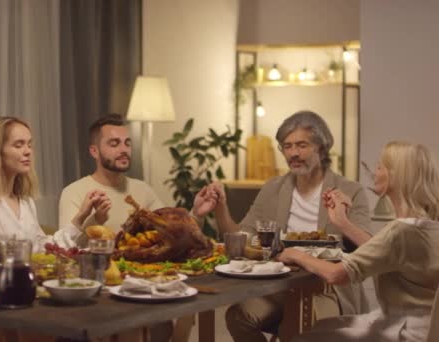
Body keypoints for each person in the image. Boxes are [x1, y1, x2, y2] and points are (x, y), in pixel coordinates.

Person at [193, 110, 372, 342]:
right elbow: (241, 237)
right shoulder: (273, 188)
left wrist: (343, 222)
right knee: (238, 317)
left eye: (302, 145)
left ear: (321, 147)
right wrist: (220, 207)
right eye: (287, 146)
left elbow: (370, 248)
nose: (294, 153)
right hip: (278, 284)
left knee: (299, 328)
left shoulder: (350, 190)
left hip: (327, 287)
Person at [279, 141, 439, 341]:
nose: (375, 172)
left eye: (380, 166)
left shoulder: (402, 231)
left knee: (302, 338)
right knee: (321, 327)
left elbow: (336, 275)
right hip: (422, 329)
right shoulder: (426, 225)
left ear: (396, 175)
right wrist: (342, 222)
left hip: (404, 332)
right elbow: (386, 250)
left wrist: (295, 253)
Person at [0, 116, 81, 254]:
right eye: (18, 145)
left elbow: (43, 248)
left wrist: (81, 218)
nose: (28, 151)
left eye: (29, 145)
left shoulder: (26, 202)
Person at [58, 114, 165, 245]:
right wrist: (96, 220)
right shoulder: (73, 192)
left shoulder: (143, 189)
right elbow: (66, 249)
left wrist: (195, 214)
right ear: (94, 151)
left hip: (141, 265)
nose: (124, 150)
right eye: (114, 144)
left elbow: (169, 230)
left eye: (127, 143)